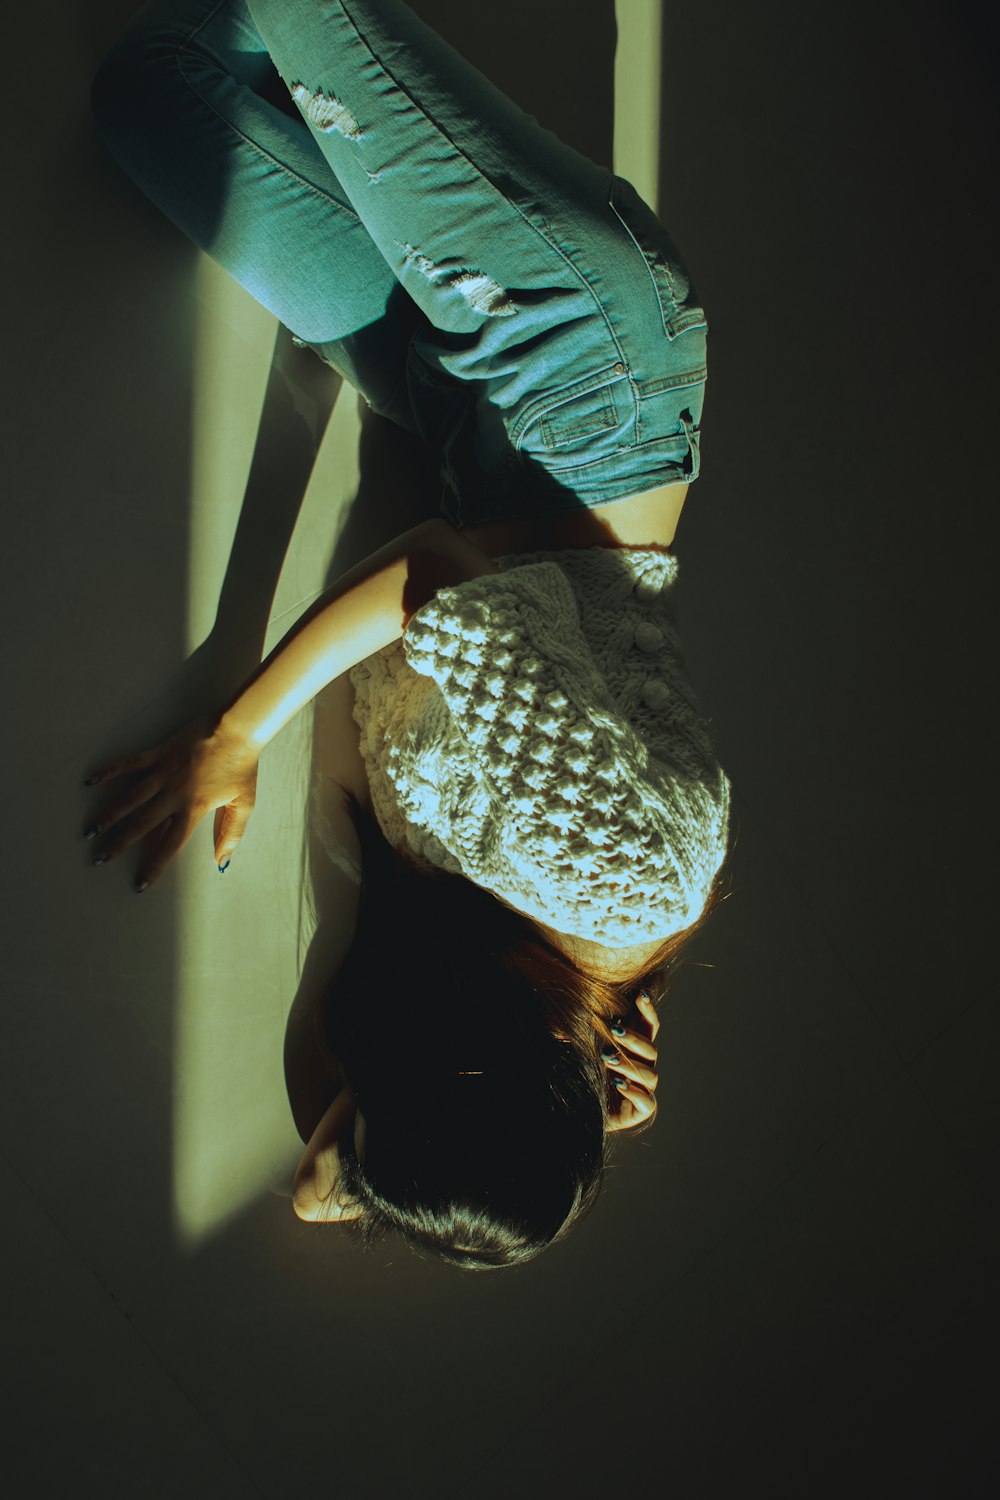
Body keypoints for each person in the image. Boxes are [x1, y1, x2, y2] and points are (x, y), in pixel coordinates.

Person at [83, 0, 733, 1269]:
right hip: (578, 373)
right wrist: (235, 732)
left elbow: (325, 1165)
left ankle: (372, 129)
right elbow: (431, 574)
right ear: (466, 1071)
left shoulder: (484, 976)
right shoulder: (611, 885)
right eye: (376, 1114)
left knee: (145, 100)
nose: (336, 1116)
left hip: (447, 423)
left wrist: (543, 1121)